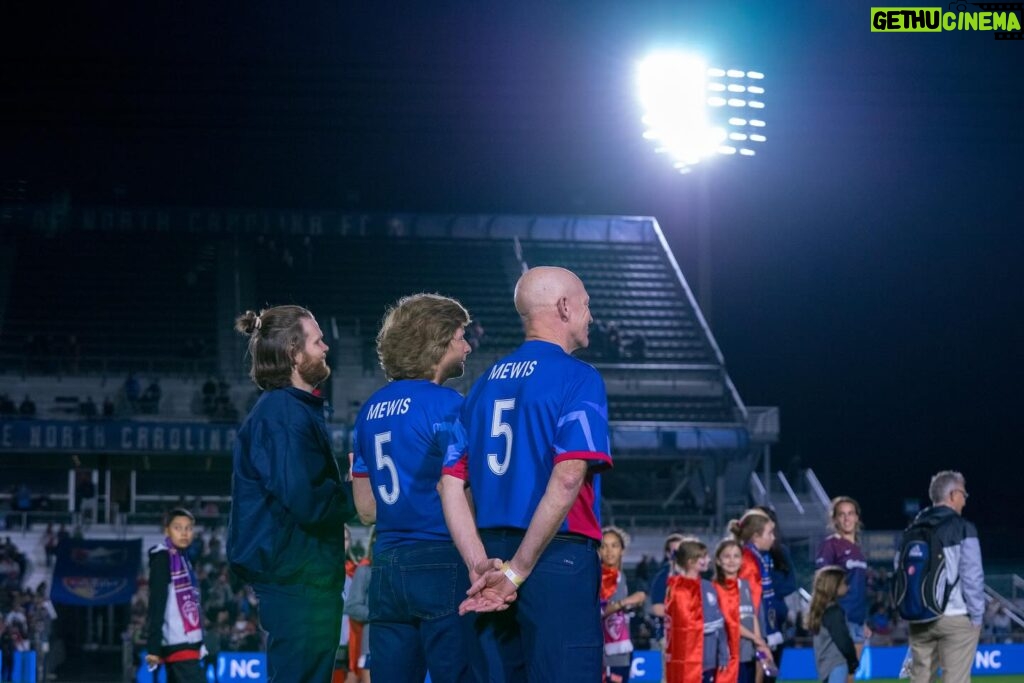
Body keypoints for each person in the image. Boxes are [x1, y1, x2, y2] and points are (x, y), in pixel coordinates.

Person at [440, 265, 613, 682]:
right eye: (587, 305)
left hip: (491, 555)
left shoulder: (481, 385)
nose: (591, 316)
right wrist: (518, 569)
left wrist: (481, 566)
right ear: (565, 307)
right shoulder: (579, 377)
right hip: (555, 554)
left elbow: (449, 483)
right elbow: (569, 476)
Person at [350, 293, 478, 683]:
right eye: (460, 336)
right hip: (443, 559)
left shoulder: (368, 411)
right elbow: (463, 492)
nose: (467, 346)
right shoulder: (451, 406)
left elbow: (367, 509)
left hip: (386, 566)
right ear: (437, 341)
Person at [228, 305, 357, 683]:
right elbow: (308, 501)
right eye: (317, 341)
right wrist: (358, 495)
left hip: (301, 578)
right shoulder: (282, 412)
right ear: (293, 353)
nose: (326, 347)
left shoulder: (289, 410)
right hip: (297, 583)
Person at [905, 470, 984, 683]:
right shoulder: (963, 527)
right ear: (952, 495)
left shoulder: (913, 528)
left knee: (920, 679)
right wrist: (977, 617)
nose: (965, 501)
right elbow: (972, 577)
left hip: (919, 617)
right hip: (955, 616)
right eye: (963, 495)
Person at [146, 508, 206, 683]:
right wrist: (153, 647)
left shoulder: (184, 559)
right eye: (178, 528)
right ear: (167, 530)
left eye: (188, 528)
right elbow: (156, 602)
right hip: (177, 642)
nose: (184, 533)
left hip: (188, 642)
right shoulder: (162, 559)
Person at [815, 496, 870, 674]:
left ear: (857, 517)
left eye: (850, 514)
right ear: (835, 519)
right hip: (839, 620)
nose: (847, 519)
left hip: (857, 619)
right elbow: (823, 582)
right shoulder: (830, 545)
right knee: (837, 675)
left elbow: (860, 588)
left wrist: (864, 622)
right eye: (842, 514)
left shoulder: (859, 550)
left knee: (850, 675)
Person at [665, 539, 728, 683]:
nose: (708, 559)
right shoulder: (678, 589)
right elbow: (684, 625)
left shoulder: (709, 586)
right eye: (703, 557)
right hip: (688, 660)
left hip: (710, 660)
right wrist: (713, 624)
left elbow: (720, 625)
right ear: (690, 562)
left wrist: (723, 654)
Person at [713, 539, 773, 683]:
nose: (732, 560)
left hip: (749, 653)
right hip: (727, 655)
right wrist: (755, 638)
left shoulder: (745, 586)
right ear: (718, 561)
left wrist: (761, 644)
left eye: (736, 556)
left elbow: (752, 615)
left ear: (741, 560)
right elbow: (729, 621)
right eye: (727, 556)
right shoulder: (715, 588)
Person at [599, 526, 646, 683]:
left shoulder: (625, 578)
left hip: (623, 651)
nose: (609, 551)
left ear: (622, 550)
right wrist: (623, 603)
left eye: (614, 545)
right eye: (603, 546)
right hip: (601, 652)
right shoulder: (595, 579)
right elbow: (597, 612)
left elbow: (640, 597)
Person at [808, 566, 859, 683]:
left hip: (824, 665)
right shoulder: (833, 612)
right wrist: (853, 661)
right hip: (836, 663)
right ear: (834, 586)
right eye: (844, 583)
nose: (848, 586)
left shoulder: (819, 610)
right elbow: (843, 639)